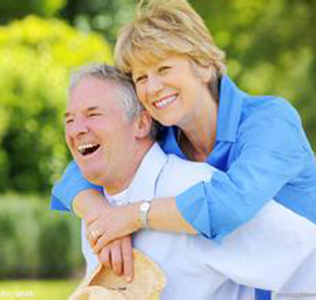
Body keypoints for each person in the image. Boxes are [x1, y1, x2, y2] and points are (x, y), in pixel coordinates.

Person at [51, 0, 316, 283]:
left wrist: (132, 216)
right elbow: (77, 172)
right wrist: (102, 217)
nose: (152, 88)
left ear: (203, 65)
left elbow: (229, 205)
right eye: (141, 77)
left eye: (163, 69)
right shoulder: (166, 135)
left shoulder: (270, 121)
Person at [64, 63, 316, 300]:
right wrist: (100, 213)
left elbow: (309, 260)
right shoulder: (98, 207)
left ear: (141, 124)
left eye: (93, 114)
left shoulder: (193, 189)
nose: (76, 130)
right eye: (69, 120)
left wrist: (133, 216)